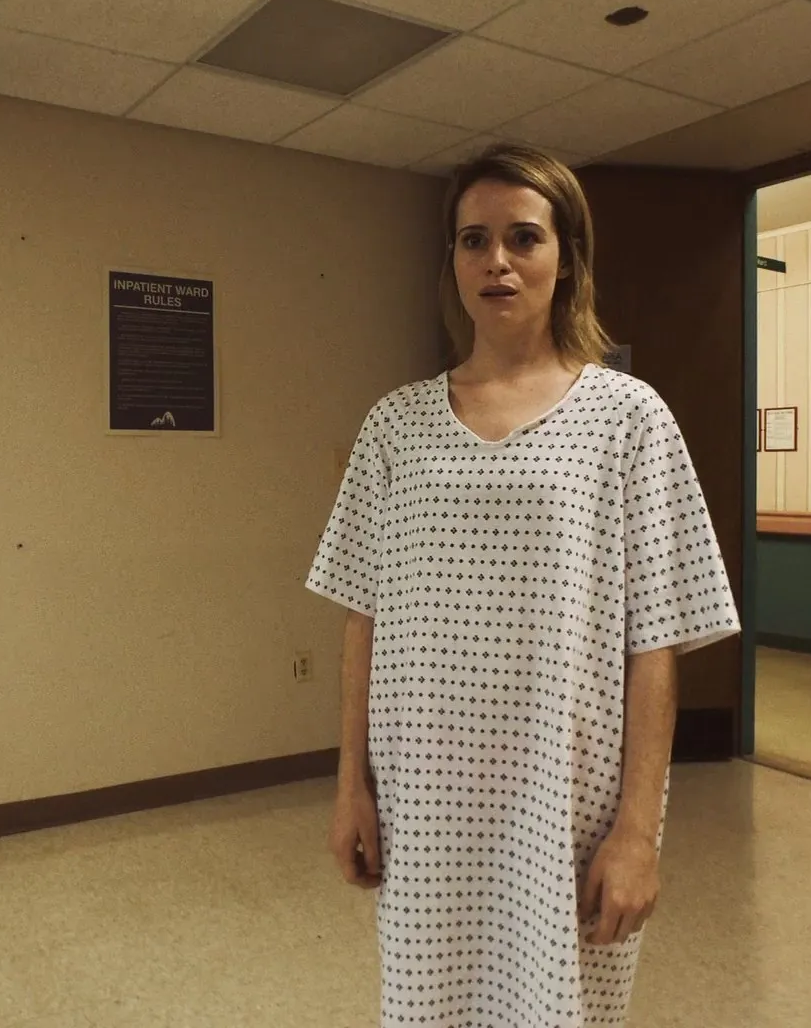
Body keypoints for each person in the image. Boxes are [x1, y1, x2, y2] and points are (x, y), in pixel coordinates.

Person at [307, 143, 740, 1027]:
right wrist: (352, 786)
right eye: (474, 239)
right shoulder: (394, 426)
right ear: (453, 261)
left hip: (566, 800)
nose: (496, 260)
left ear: (566, 256)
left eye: (523, 237)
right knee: (430, 1006)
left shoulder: (629, 419)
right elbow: (363, 617)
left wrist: (638, 832)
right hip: (426, 800)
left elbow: (656, 641)